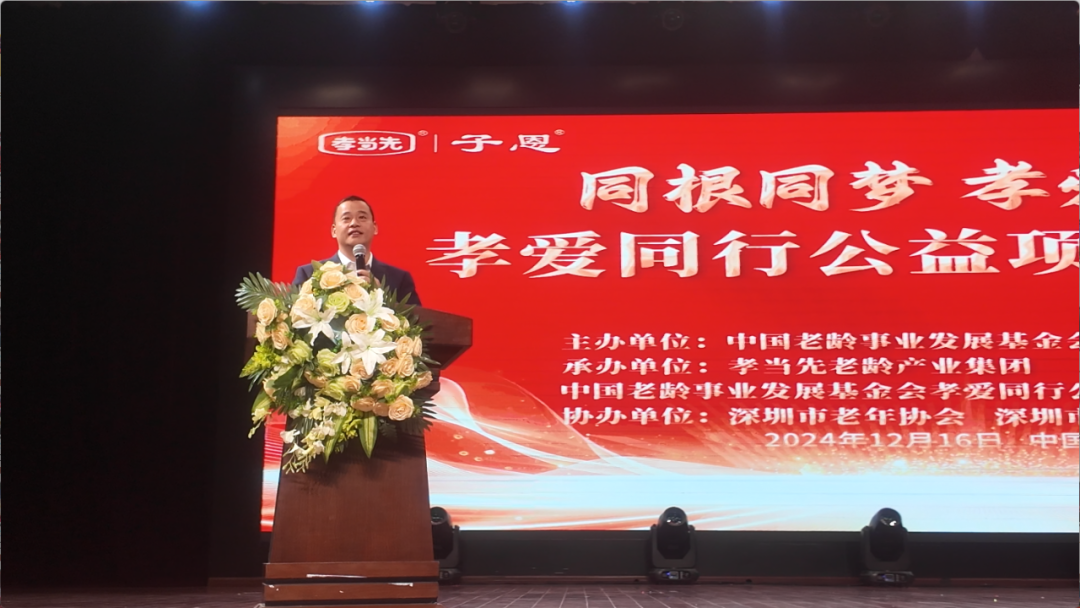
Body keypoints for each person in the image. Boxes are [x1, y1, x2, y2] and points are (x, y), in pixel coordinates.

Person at [292, 195, 421, 306]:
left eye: (362, 217)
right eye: (346, 218)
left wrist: (383, 297)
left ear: (375, 228)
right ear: (334, 231)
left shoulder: (399, 278)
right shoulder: (309, 274)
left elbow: (417, 322)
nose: (354, 223)